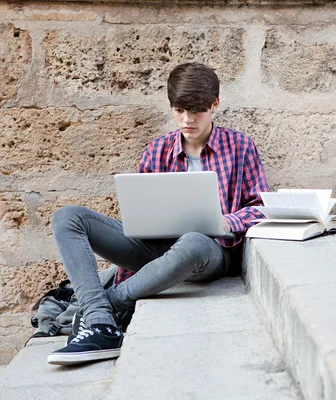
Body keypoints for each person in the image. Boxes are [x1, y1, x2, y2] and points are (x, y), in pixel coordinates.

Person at [47, 62, 269, 366]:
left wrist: (224, 222)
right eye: (179, 111)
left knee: (192, 240)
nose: (187, 120)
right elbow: (140, 217)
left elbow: (259, 209)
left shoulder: (241, 146)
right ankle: (101, 323)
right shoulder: (157, 150)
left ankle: (99, 307)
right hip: (153, 248)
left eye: (197, 112)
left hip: (209, 251)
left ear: (215, 105)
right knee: (67, 217)